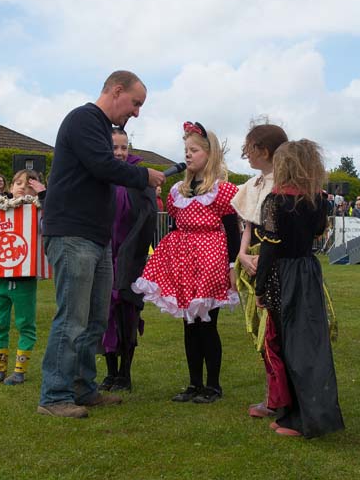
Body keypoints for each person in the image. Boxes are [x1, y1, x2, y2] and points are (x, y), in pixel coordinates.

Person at [37, 70, 165, 419]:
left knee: (96, 318)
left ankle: (83, 387)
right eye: (135, 103)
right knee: (73, 318)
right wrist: (144, 175)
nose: (136, 112)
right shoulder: (83, 119)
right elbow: (102, 165)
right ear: (117, 90)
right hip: (72, 235)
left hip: (95, 237)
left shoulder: (95, 125)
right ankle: (54, 395)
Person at [133, 121, 239, 404]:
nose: (188, 155)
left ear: (209, 154)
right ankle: (194, 383)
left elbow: (232, 231)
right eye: (186, 150)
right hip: (184, 261)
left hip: (210, 260)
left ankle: (213, 386)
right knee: (189, 324)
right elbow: (173, 230)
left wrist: (232, 266)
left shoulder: (223, 191)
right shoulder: (177, 192)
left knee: (207, 324)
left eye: (194, 150)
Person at [255, 139, 344, 438]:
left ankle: (298, 418)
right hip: (308, 271)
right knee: (309, 342)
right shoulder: (318, 199)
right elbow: (318, 232)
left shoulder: (275, 201)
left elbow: (268, 250)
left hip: (284, 275)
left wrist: (259, 288)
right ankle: (299, 413)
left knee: (289, 345)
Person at [230, 122, 288, 418]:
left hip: (277, 267)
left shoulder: (286, 183)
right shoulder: (252, 186)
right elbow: (248, 227)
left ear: (263, 150)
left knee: (275, 333)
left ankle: (282, 398)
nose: (246, 154)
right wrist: (241, 254)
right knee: (261, 332)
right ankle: (273, 394)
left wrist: (262, 258)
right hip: (253, 263)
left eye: (250, 148)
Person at [97, 127, 158, 393]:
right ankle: (110, 372)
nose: (120, 153)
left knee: (127, 313)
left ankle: (125, 372)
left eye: (124, 148)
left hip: (129, 258)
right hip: (104, 254)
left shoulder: (139, 176)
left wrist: (130, 254)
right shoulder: (99, 174)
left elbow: (147, 217)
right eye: (115, 148)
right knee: (103, 314)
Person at [0, 170, 46, 385]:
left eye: (30, 184)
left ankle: (19, 370)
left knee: (25, 323)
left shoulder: (40, 215)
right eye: (19, 183)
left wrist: (44, 196)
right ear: (11, 187)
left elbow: (51, 227)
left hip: (25, 280)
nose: (23, 187)